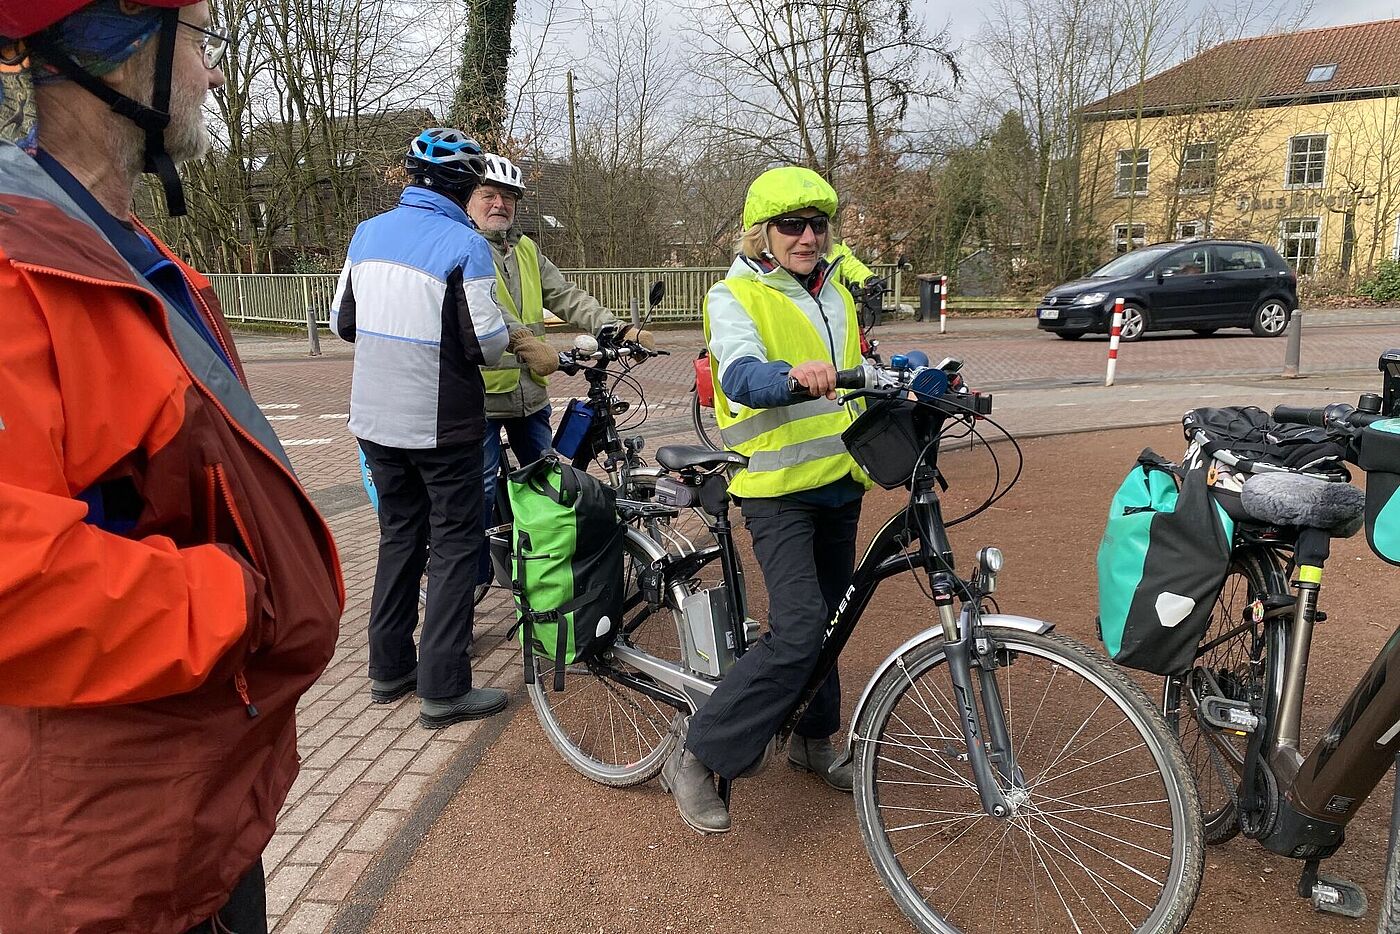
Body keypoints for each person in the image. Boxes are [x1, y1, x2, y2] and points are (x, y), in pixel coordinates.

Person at [0, 2, 343, 931]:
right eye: (202, 41)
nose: (216, 76)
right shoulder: (18, 275)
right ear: (120, 47)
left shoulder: (138, 258)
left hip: (195, 804)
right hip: (105, 856)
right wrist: (234, 602)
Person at [663, 166, 872, 834]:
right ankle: (698, 753)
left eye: (817, 223)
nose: (807, 236)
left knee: (835, 618)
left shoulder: (836, 290)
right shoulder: (733, 296)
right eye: (792, 225)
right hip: (778, 491)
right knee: (800, 628)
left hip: (839, 479)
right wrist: (788, 378)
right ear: (763, 233)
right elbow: (741, 372)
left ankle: (813, 742)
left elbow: (861, 362)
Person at [332, 128, 512, 729]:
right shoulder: (465, 244)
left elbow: (342, 325)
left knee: (399, 536)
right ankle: (444, 686)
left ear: (412, 178)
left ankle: (388, 669)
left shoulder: (366, 234)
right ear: (464, 187)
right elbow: (486, 343)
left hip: (374, 420)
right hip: (443, 424)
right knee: (457, 544)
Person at [465, 152, 655, 595]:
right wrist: (526, 345)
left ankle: (544, 571)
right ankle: (464, 596)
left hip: (529, 394)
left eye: (507, 197)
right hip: (482, 398)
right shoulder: (463, 248)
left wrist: (614, 327)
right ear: (468, 199)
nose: (499, 204)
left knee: (545, 479)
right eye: (488, 195)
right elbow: (477, 312)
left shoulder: (526, 249)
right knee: (480, 494)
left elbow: (564, 294)